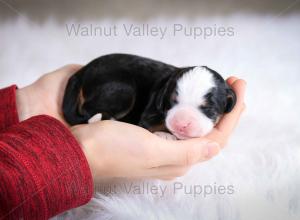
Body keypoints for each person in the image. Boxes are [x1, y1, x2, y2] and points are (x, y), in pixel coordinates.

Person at [0, 64, 246, 219]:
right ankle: (90, 112)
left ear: (228, 102)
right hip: (110, 77)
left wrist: (23, 105)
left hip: (104, 78)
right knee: (124, 97)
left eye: (206, 110)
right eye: (174, 103)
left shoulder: (197, 88)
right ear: (167, 94)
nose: (183, 121)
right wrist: (84, 152)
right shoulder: (165, 88)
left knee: (127, 99)